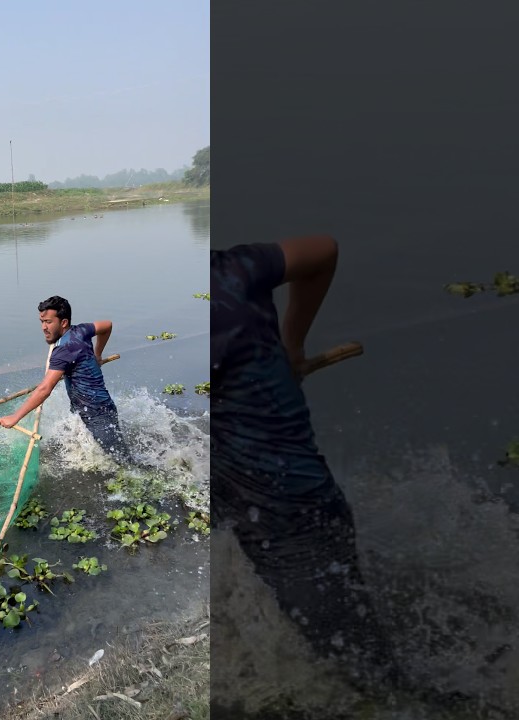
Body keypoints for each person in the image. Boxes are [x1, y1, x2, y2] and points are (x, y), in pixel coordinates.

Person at [211, 235, 397, 684]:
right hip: (266, 497)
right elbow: (325, 250)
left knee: (364, 671)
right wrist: (292, 343)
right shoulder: (236, 268)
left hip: (290, 514)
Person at [0, 296, 131, 462]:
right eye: (42, 321)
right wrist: (98, 354)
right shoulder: (81, 330)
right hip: (89, 408)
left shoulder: (64, 350)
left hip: (97, 414)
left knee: (124, 462)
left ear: (64, 322)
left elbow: (45, 389)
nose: (44, 327)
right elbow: (107, 325)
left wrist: (15, 417)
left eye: (48, 322)